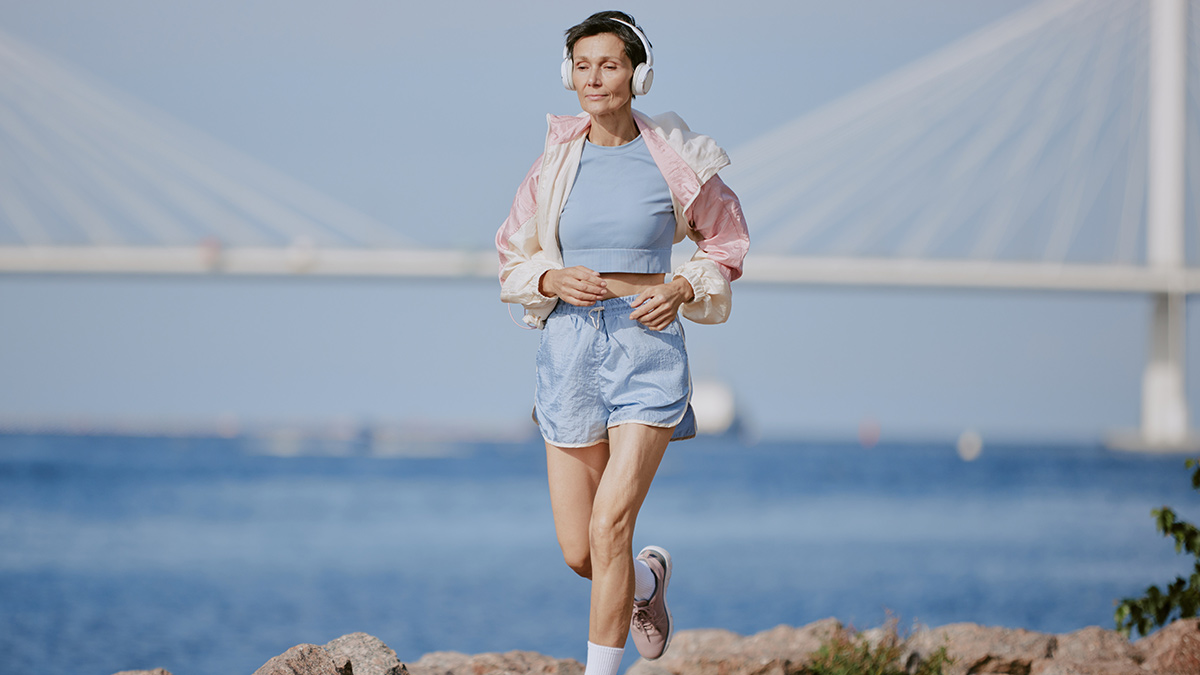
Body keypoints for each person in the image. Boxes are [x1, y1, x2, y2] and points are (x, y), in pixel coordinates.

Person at [494, 11, 749, 675]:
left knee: (610, 524)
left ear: (638, 74)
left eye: (609, 64)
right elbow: (508, 255)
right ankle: (646, 583)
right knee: (582, 550)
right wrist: (549, 274)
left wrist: (683, 288)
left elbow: (725, 240)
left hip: (647, 345)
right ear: (568, 75)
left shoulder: (677, 157)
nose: (595, 78)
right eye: (583, 66)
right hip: (569, 352)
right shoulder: (553, 165)